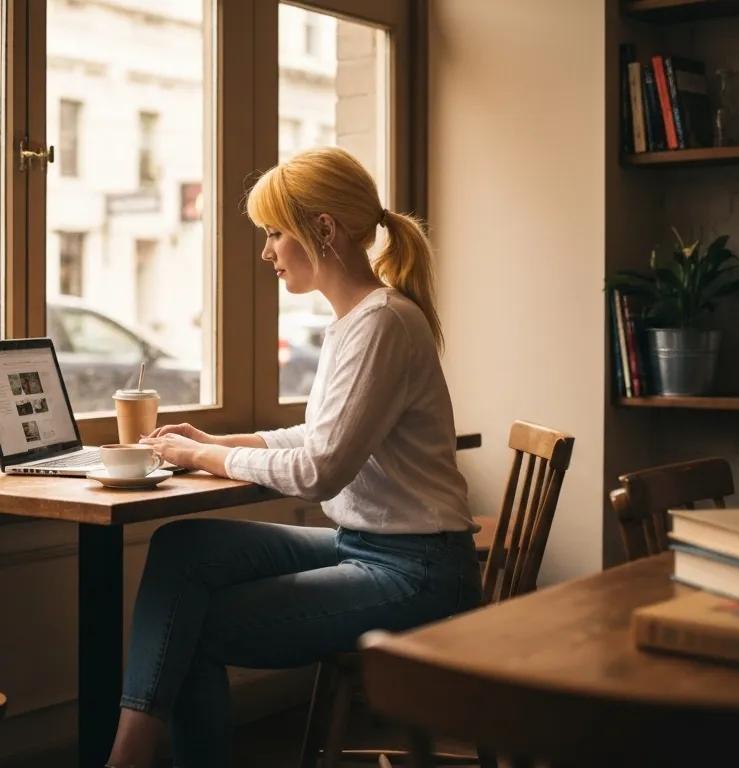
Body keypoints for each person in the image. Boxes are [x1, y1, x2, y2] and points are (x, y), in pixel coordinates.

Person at [108, 147, 480, 768]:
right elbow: (314, 435)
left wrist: (206, 462)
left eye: (275, 233)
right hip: (371, 548)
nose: (267, 252)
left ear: (324, 230)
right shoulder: (356, 322)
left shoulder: (382, 323)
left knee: (193, 626)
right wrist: (218, 444)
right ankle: (133, 752)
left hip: (418, 572)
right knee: (182, 548)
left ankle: (128, 757)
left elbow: (317, 470)